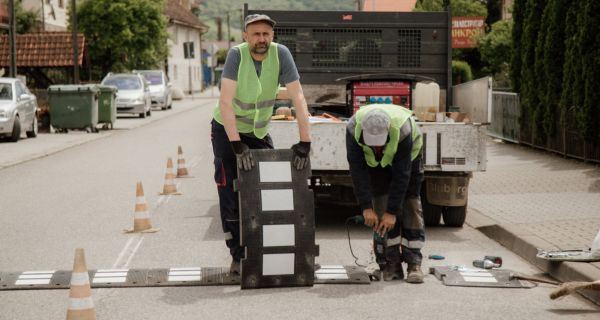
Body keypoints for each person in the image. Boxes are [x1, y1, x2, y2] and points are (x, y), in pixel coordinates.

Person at [210, 14, 311, 274]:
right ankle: (237, 255)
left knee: (271, 190)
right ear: (246, 36)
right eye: (256, 34)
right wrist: (235, 144)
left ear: (272, 36)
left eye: (266, 34)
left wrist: (304, 141)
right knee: (230, 190)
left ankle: (272, 250)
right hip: (227, 130)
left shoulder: (282, 54)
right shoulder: (236, 55)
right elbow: (225, 102)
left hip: (258, 131)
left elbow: (297, 96)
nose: (261, 39)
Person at [346, 104, 425, 283]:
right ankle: (391, 264)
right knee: (380, 203)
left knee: (410, 205)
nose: (376, 147)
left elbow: (402, 176)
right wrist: (366, 207)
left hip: (409, 160)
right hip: (376, 165)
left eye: (379, 142)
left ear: (389, 130)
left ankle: (414, 263)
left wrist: (392, 213)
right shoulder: (352, 129)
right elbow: (357, 171)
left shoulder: (403, 131)